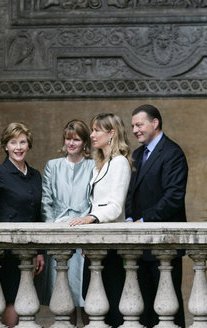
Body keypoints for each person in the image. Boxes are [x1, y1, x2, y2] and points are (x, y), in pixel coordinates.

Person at [0, 122, 44, 327]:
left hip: (30, 247)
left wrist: (40, 251)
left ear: (28, 145)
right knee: (12, 298)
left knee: (28, 299)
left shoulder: (35, 175)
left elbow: (38, 214)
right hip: (8, 248)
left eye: (22, 142)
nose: (18, 147)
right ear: (6, 146)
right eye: (13, 142)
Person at [126, 104, 188, 328]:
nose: (135, 130)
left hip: (165, 244)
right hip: (140, 245)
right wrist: (129, 219)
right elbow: (131, 193)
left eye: (139, 124)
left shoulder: (173, 153)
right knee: (144, 307)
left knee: (169, 308)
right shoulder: (137, 154)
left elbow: (173, 198)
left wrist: (144, 221)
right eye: (133, 125)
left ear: (155, 123)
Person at [68, 113, 132, 328]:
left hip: (110, 244)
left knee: (111, 306)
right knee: (92, 302)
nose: (92, 135)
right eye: (92, 130)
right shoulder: (100, 164)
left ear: (111, 133)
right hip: (95, 243)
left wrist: (91, 218)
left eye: (97, 130)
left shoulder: (120, 162)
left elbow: (115, 207)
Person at [39, 119, 94, 325]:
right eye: (68, 139)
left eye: (77, 139)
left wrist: (87, 228)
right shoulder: (53, 165)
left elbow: (94, 201)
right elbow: (46, 201)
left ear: (84, 143)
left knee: (87, 296)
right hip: (59, 231)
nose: (71, 143)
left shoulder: (92, 166)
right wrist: (53, 231)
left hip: (84, 231)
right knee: (65, 295)